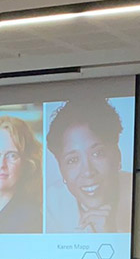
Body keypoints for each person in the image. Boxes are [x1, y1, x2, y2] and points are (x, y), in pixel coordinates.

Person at [46, 98, 129, 234]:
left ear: (117, 155)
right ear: (61, 168)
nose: (88, 172)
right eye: (72, 160)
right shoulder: (50, 206)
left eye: (98, 153)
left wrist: (108, 234)